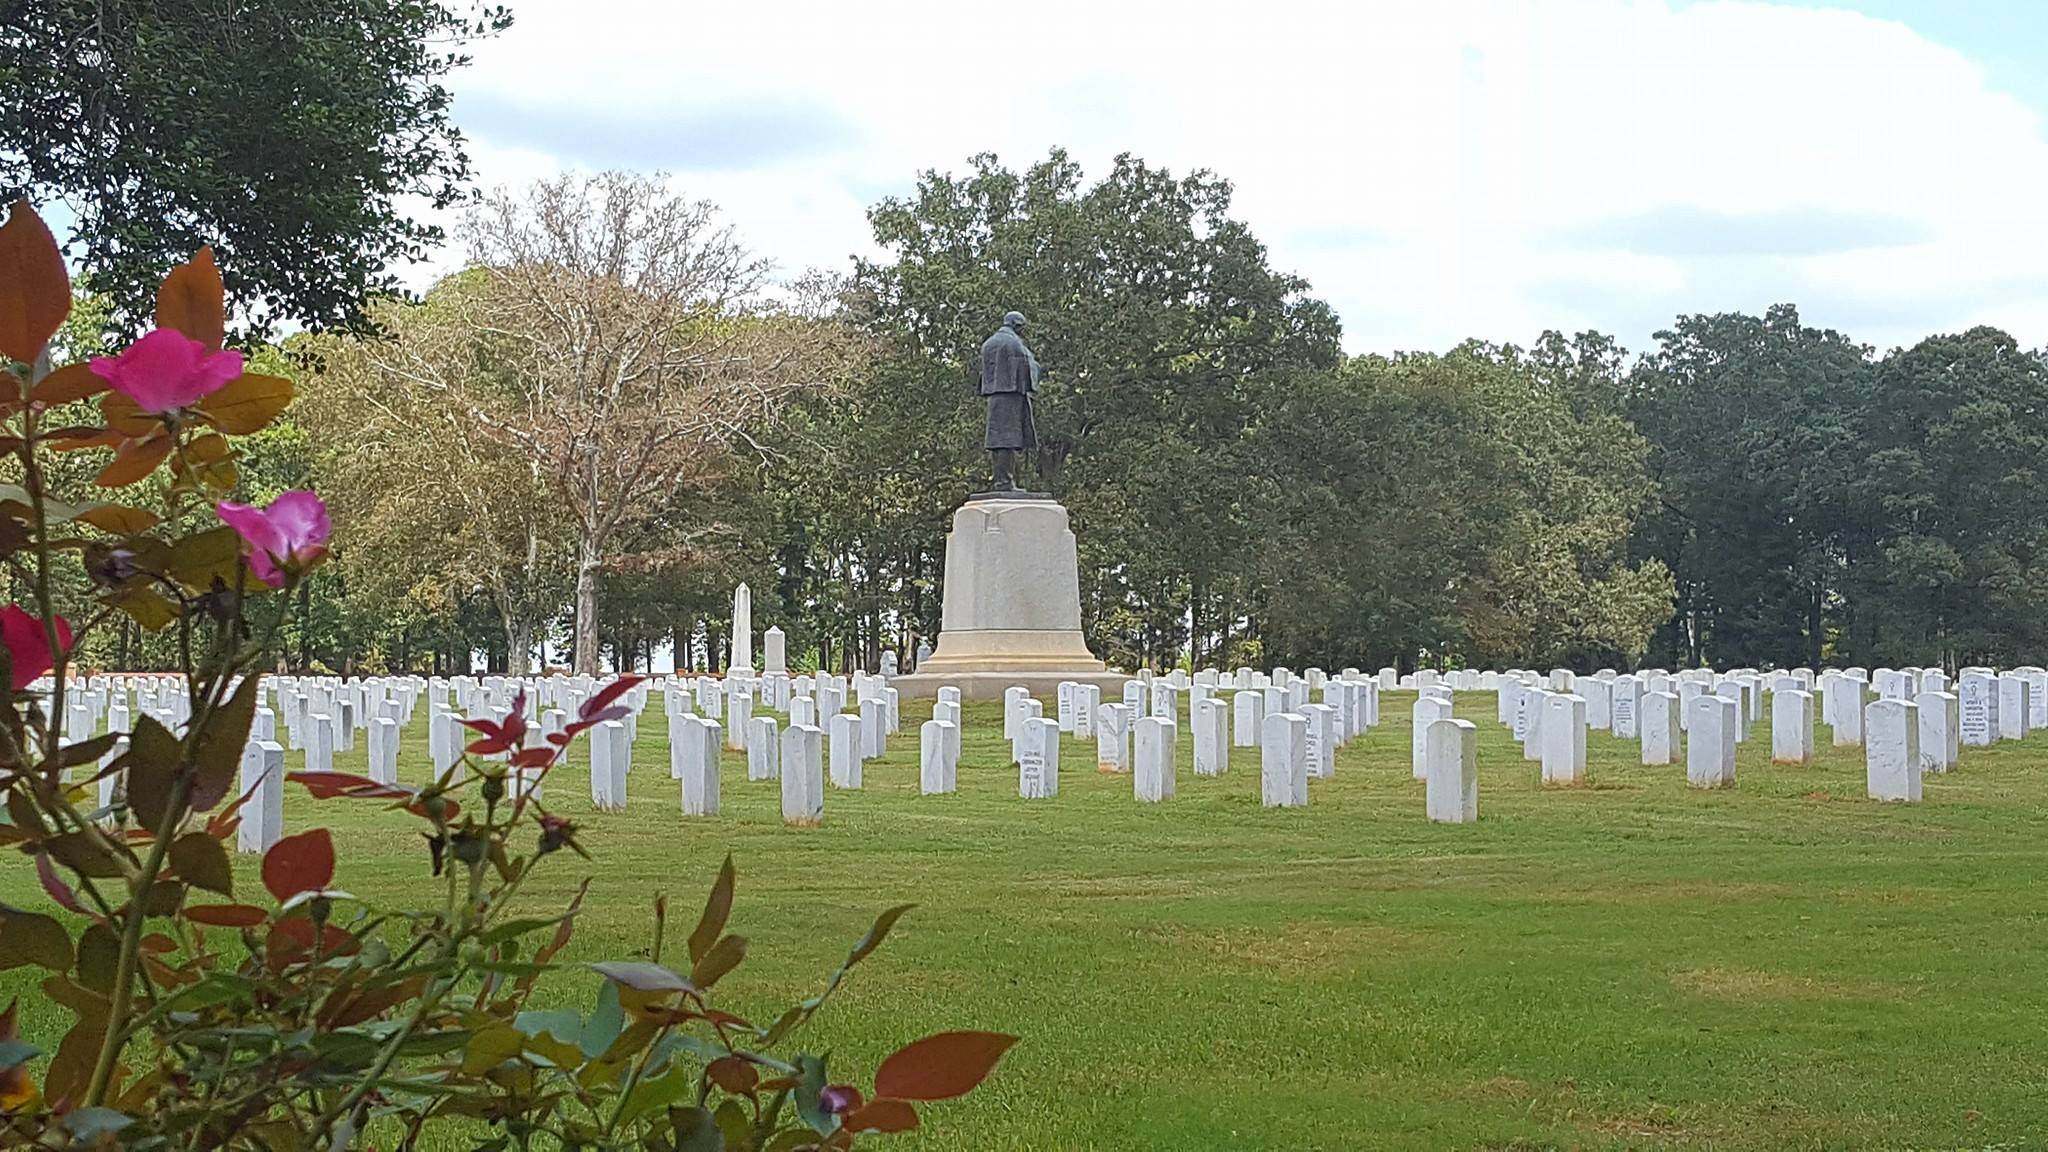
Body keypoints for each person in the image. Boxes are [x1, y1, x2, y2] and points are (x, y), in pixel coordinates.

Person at [977, 310, 1040, 491]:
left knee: (998, 441)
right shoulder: (1014, 343)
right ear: (1016, 324)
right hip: (1011, 396)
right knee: (1008, 440)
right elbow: (1028, 368)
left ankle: (1001, 480)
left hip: (994, 398)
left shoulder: (988, 344)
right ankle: (1004, 482)